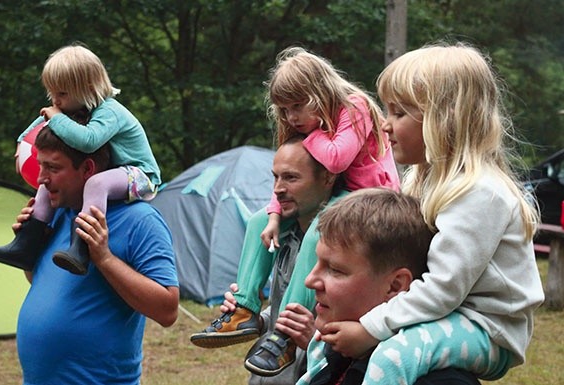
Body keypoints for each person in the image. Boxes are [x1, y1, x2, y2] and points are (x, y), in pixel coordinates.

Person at [316, 42, 545, 384]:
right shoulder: (424, 181)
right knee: (327, 346)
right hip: (446, 313)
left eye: (399, 113)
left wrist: (370, 327)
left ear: (443, 119)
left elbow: (442, 289)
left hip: (487, 328)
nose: (386, 125)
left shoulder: (479, 192)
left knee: (394, 355)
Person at [191, 46, 400, 377]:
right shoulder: (313, 126)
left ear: (319, 92)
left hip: (370, 201)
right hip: (341, 196)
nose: (291, 118)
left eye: (297, 107)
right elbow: (289, 186)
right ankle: (244, 308)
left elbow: (335, 159)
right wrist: (274, 215)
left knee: (322, 226)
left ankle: (286, 331)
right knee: (260, 218)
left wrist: (309, 134)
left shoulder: (354, 107)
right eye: (284, 110)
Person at [13, 126, 179, 384]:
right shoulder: (58, 212)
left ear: (88, 170)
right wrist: (32, 243)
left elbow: (167, 310)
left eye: (53, 168)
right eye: (40, 166)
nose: (41, 178)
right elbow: (41, 282)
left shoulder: (141, 221)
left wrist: (104, 258)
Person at [0, 43, 161, 275]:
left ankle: (81, 248)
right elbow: (40, 124)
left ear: (87, 87)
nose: (55, 101)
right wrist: (21, 144)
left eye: (62, 93)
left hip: (141, 176)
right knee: (46, 185)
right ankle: (27, 244)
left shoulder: (110, 111)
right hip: (115, 172)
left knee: (96, 183)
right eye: (52, 93)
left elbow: (89, 141)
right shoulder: (69, 108)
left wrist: (56, 117)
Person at [195, 135, 345, 385]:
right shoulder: (283, 236)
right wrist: (260, 319)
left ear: (328, 178)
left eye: (291, 177)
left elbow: (371, 334)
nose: (278, 188)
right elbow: (282, 300)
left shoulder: (350, 251)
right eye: (275, 177)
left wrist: (314, 339)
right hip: (269, 375)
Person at [297, 187, 480, 385]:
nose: (310, 280)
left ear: (394, 286)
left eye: (335, 270)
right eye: (318, 262)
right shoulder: (332, 357)